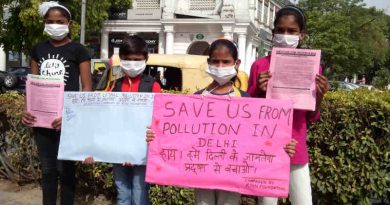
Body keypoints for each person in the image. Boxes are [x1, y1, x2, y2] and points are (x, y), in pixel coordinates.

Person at [146, 39, 297, 205]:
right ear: (208, 63)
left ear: (236, 63)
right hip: (201, 173)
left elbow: (259, 138)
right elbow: (180, 135)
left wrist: (281, 145)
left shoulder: (246, 100)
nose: (220, 66)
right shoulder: (196, 99)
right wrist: (157, 136)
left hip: (232, 175)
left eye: (226, 62)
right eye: (215, 62)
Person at [248, 5, 330, 205]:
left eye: (292, 31)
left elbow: (311, 116)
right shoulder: (260, 66)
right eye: (281, 30)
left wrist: (319, 96)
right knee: (267, 202)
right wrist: (259, 90)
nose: (285, 35)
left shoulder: (313, 66)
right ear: (273, 32)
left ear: (301, 35)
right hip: (266, 147)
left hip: (296, 145)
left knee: (303, 201)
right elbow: (248, 113)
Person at [21, 2, 92, 205]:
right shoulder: (38, 49)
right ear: (44, 23)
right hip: (42, 122)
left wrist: (71, 116)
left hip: (67, 120)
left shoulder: (79, 50)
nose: (55, 25)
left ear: (68, 23)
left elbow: (86, 88)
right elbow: (32, 85)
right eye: (50, 22)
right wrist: (27, 111)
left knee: (66, 170)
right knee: (48, 169)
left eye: (59, 22)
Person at [83, 35, 161, 205]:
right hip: (118, 151)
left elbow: (159, 120)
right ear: (121, 59)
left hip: (142, 153)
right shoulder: (115, 85)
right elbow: (107, 120)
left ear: (145, 59)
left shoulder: (153, 85)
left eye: (137, 59)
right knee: (123, 194)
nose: (132, 63)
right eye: (127, 59)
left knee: (140, 195)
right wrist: (92, 147)